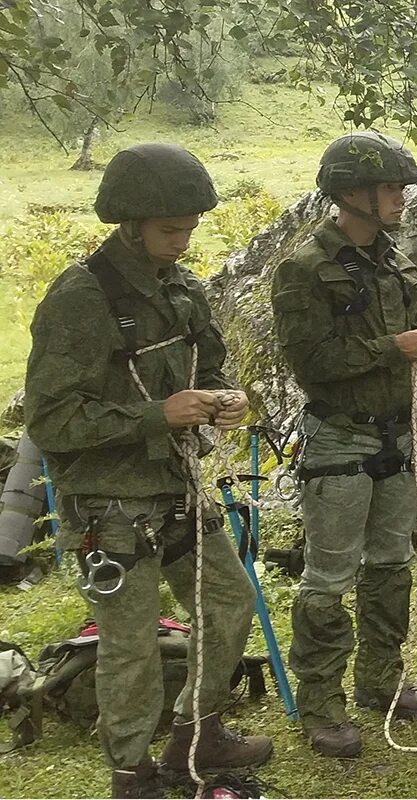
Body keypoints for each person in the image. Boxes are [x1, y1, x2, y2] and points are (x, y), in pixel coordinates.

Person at [24, 143, 272, 798]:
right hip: (111, 506)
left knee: (229, 602)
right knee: (130, 647)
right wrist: (156, 414)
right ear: (130, 224)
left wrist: (225, 399)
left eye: (191, 228)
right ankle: (132, 774)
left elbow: (209, 369)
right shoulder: (79, 298)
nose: (184, 242)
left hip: (178, 489)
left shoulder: (183, 288)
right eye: (171, 230)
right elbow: (52, 422)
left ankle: (198, 732)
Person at [271, 132, 417, 757]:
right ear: (351, 194)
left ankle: (382, 684)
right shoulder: (305, 269)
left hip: (397, 433)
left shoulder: (397, 261)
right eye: (390, 188)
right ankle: (321, 705)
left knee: (392, 566)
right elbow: (311, 362)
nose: (402, 198)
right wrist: (398, 346)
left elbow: (411, 348)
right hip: (339, 438)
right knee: (329, 576)